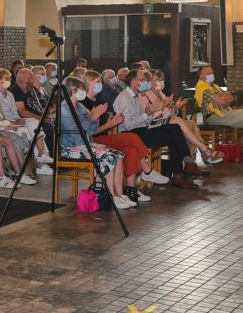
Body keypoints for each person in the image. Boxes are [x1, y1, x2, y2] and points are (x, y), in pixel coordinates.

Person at [80, 70, 168, 201]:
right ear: (88, 84)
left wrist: (111, 119)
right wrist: (108, 124)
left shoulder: (96, 100)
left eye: (101, 82)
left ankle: (131, 191)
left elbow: (104, 122)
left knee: (130, 150)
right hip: (94, 139)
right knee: (132, 137)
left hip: (105, 136)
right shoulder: (84, 103)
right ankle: (147, 171)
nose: (101, 85)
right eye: (97, 82)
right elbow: (89, 131)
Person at [59, 77, 135, 208]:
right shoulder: (65, 108)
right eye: (82, 89)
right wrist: (93, 118)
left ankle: (119, 194)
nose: (84, 91)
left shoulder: (80, 106)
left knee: (118, 155)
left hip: (84, 143)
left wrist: (95, 117)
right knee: (108, 157)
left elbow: (91, 129)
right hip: (72, 148)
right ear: (73, 90)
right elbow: (76, 132)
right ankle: (110, 196)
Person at [113, 69, 197, 188]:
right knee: (173, 134)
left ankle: (182, 170)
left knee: (175, 129)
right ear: (133, 81)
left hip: (142, 129)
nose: (145, 82)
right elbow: (127, 125)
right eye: (142, 80)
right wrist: (148, 113)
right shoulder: (124, 97)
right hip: (131, 134)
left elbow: (145, 120)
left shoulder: (136, 96)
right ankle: (182, 169)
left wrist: (153, 111)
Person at [141, 69, 222, 166]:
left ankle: (194, 159)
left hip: (167, 122)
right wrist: (162, 107)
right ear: (150, 82)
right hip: (153, 124)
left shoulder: (161, 94)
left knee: (190, 123)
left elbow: (170, 116)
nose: (160, 82)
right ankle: (203, 152)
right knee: (180, 122)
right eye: (157, 80)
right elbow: (148, 115)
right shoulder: (146, 94)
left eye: (161, 79)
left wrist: (175, 108)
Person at [0, 68, 52, 162]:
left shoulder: (10, 94)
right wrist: (13, 121)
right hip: (4, 123)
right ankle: (41, 160)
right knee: (31, 129)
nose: (9, 81)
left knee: (34, 123)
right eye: (6, 78)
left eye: (10, 78)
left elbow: (16, 113)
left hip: (15, 120)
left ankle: (43, 155)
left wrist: (19, 120)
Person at [10, 67, 55, 153]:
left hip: (35, 118)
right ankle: (48, 157)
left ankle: (54, 155)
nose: (31, 81)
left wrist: (45, 117)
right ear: (21, 79)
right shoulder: (15, 91)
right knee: (47, 127)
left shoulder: (28, 90)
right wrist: (41, 118)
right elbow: (22, 112)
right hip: (24, 121)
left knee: (54, 123)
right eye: (29, 79)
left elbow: (39, 105)